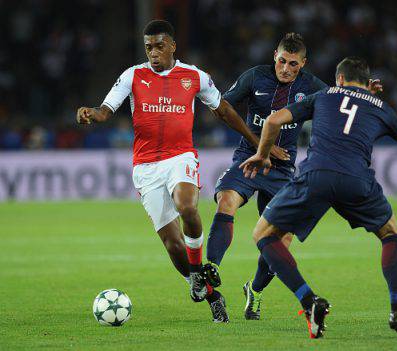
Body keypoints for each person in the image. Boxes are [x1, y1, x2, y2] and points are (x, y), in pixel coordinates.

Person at [239, 57, 397, 338]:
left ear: (339, 79)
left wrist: (262, 154)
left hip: (317, 175)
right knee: (390, 234)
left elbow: (274, 120)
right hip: (356, 180)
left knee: (263, 235)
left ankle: (309, 300)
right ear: (367, 83)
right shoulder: (381, 107)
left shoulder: (324, 94)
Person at [76, 19, 284, 323]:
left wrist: (257, 143)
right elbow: (106, 110)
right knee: (174, 246)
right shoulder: (132, 76)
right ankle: (210, 293)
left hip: (180, 157)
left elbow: (223, 110)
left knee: (187, 205)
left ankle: (199, 271)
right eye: (149, 47)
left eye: (160, 46)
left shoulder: (194, 76)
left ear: (173, 45)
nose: (154, 52)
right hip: (145, 167)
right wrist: (92, 114)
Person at [202, 33, 382, 321]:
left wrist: (362, 93)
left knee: (280, 241)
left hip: (283, 171)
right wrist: (260, 143)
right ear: (275, 55)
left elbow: (339, 102)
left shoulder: (310, 85)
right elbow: (222, 108)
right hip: (249, 159)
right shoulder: (254, 77)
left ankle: (255, 291)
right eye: (282, 61)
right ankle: (212, 267)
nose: (285, 69)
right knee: (226, 201)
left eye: (293, 64)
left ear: (303, 64)